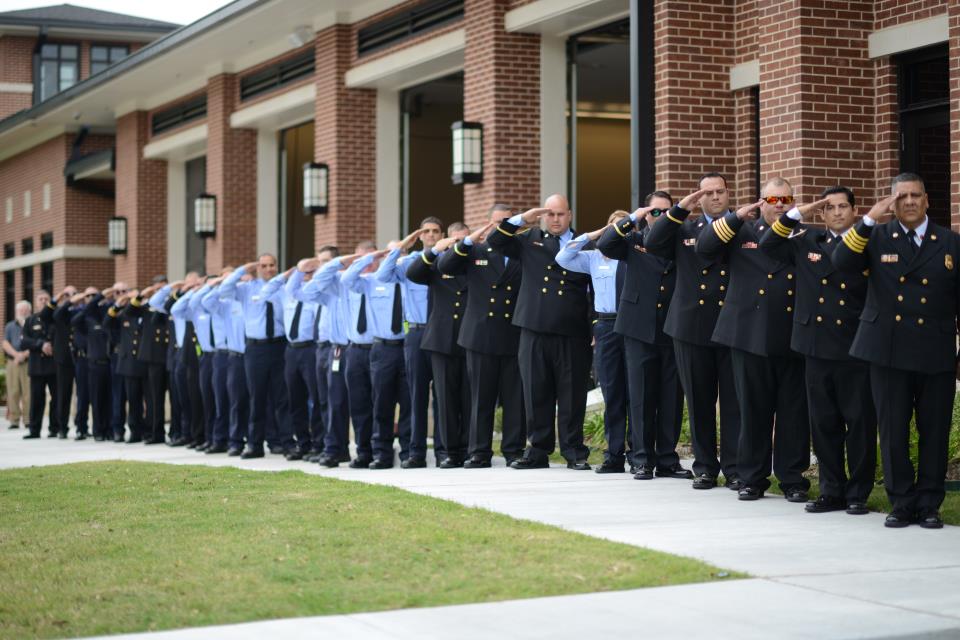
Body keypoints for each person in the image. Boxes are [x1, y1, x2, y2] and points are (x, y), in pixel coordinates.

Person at [834, 172, 960, 529]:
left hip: (935, 350)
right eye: (901, 196)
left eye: (915, 195)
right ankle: (902, 502)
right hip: (887, 350)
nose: (908, 201)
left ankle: (930, 503)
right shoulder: (875, 237)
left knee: (934, 431)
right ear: (892, 202)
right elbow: (840, 262)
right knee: (893, 431)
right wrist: (869, 218)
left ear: (926, 200)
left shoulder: (950, 242)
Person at [759, 186, 875, 516]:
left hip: (854, 345)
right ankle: (831, 490)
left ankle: (858, 492)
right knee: (823, 423)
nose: (837, 213)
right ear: (822, 215)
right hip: (815, 344)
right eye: (831, 208)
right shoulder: (808, 241)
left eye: (843, 207)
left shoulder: (867, 241)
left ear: (854, 211)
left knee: (859, 424)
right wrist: (798, 212)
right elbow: (769, 244)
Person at [696, 177, 810, 502]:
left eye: (784, 199)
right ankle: (751, 478)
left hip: (791, 334)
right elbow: (705, 246)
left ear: (792, 201)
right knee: (752, 411)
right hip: (748, 334)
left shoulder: (802, 235)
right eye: (771, 200)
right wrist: (735, 217)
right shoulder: (742, 232)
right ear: (761, 202)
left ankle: (792, 479)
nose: (778, 205)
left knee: (792, 413)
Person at [644, 173, 741, 491]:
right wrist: (680, 208)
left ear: (729, 194)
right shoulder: (684, 227)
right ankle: (705, 468)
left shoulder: (742, 226)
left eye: (720, 191)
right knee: (699, 402)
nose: (715, 197)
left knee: (732, 403)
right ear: (699, 198)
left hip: (732, 325)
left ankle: (735, 467)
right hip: (691, 326)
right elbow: (653, 242)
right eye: (707, 193)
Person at [488, 194, 592, 470]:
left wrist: (593, 324)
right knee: (536, 391)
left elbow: (596, 287)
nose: (555, 219)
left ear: (570, 214)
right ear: (543, 216)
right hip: (534, 327)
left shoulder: (584, 242)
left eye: (560, 214)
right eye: (550, 214)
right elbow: (495, 241)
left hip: (572, 330)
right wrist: (522, 219)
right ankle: (538, 450)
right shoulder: (529, 238)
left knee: (572, 394)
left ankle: (573, 450)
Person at [597, 194, 688, 480]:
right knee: (641, 397)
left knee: (671, 397)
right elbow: (605, 243)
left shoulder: (681, 241)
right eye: (654, 212)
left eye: (665, 212)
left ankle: (667, 459)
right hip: (638, 328)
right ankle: (641, 459)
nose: (659, 217)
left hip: (672, 328)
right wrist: (631, 218)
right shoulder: (635, 240)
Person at [437, 205, 525, 468]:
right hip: (480, 335)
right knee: (481, 398)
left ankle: (513, 450)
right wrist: (465, 241)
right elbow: (446, 264)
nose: (502, 227)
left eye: (507, 222)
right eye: (497, 222)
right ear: (488, 225)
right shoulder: (475, 250)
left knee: (514, 399)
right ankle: (479, 452)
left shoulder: (523, 250)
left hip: (513, 333)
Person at [557, 210, 631, 473]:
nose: (617, 231)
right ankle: (614, 455)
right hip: (606, 325)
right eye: (613, 227)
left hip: (631, 325)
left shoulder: (632, 255)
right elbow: (562, 256)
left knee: (635, 392)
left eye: (622, 227)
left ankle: (638, 454)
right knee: (611, 392)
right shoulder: (592, 257)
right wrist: (593, 235)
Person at [375, 220, 443, 468]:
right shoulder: (408, 261)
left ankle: (443, 451)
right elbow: (382, 275)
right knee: (416, 396)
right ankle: (416, 453)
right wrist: (402, 246)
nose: (431, 235)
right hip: (416, 333)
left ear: (442, 234)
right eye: (426, 231)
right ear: (420, 236)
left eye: (436, 231)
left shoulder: (448, 258)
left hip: (443, 332)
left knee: (443, 396)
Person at [406, 223, 471, 467]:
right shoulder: (436, 264)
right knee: (444, 399)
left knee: (468, 397)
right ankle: (447, 452)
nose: (459, 248)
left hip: (468, 338)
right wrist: (433, 251)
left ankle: (467, 449)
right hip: (442, 339)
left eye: (463, 242)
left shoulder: (474, 264)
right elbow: (413, 273)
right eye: (455, 242)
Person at [342, 244, 412, 468]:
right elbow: (348, 278)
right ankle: (380, 452)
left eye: (400, 253)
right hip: (382, 348)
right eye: (391, 253)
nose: (395, 257)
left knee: (409, 402)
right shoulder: (372, 281)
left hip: (408, 346)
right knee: (381, 403)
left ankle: (409, 452)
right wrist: (369, 257)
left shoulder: (410, 281)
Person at [219, 255, 291, 459]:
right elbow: (224, 289)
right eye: (264, 265)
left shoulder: (282, 288)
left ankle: (285, 442)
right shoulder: (247, 288)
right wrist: (243, 268)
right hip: (255, 348)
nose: (269, 269)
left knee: (281, 398)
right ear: (258, 267)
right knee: (256, 397)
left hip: (279, 345)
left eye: (272, 265)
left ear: (277, 267)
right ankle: (255, 444)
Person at [202, 270, 250, 457]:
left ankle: (264, 439)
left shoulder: (252, 298)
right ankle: (234, 441)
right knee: (232, 401)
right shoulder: (225, 304)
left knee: (260, 400)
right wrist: (220, 282)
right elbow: (206, 301)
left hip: (256, 354)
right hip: (235, 356)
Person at [104, 287, 146, 442]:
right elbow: (107, 323)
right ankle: (121, 431)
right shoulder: (122, 315)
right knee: (124, 399)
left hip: (143, 361)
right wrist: (117, 304)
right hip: (127, 363)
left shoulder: (144, 312)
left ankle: (142, 430)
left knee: (142, 400)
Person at [72, 288, 113, 442]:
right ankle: (97, 431)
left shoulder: (105, 312)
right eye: (88, 295)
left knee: (108, 400)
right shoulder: (86, 317)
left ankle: (108, 429)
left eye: (94, 295)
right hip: (92, 364)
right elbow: (75, 321)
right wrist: (99, 296)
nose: (91, 298)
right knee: (94, 399)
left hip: (108, 363)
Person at [21, 290, 57, 439]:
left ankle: (55, 429)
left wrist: (52, 346)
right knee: (36, 399)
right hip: (36, 367)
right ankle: (34, 430)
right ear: (36, 302)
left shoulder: (55, 318)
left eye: (46, 299)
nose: (43, 301)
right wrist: (40, 344)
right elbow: (24, 342)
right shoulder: (30, 320)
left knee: (56, 398)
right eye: (40, 299)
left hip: (54, 365)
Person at [46, 286, 77, 438]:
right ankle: (62, 427)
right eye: (67, 294)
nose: (71, 297)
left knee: (84, 395)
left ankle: (81, 427)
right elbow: (53, 315)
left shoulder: (79, 309)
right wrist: (61, 300)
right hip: (63, 359)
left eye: (74, 294)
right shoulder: (58, 311)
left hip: (80, 357)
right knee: (63, 394)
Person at [3, 300, 31, 430]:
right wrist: (16, 355)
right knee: (13, 391)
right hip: (13, 362)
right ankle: (14, 420)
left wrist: (24, 355)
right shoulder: (10, 326)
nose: (23, 312)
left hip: (28, 361)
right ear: (16, 312)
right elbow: (5, 343)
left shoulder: (32, 324)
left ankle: (27, 419)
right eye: (20, 310)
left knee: (28, 392)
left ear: (29, 311)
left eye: (25, 310)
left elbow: (35, 342)